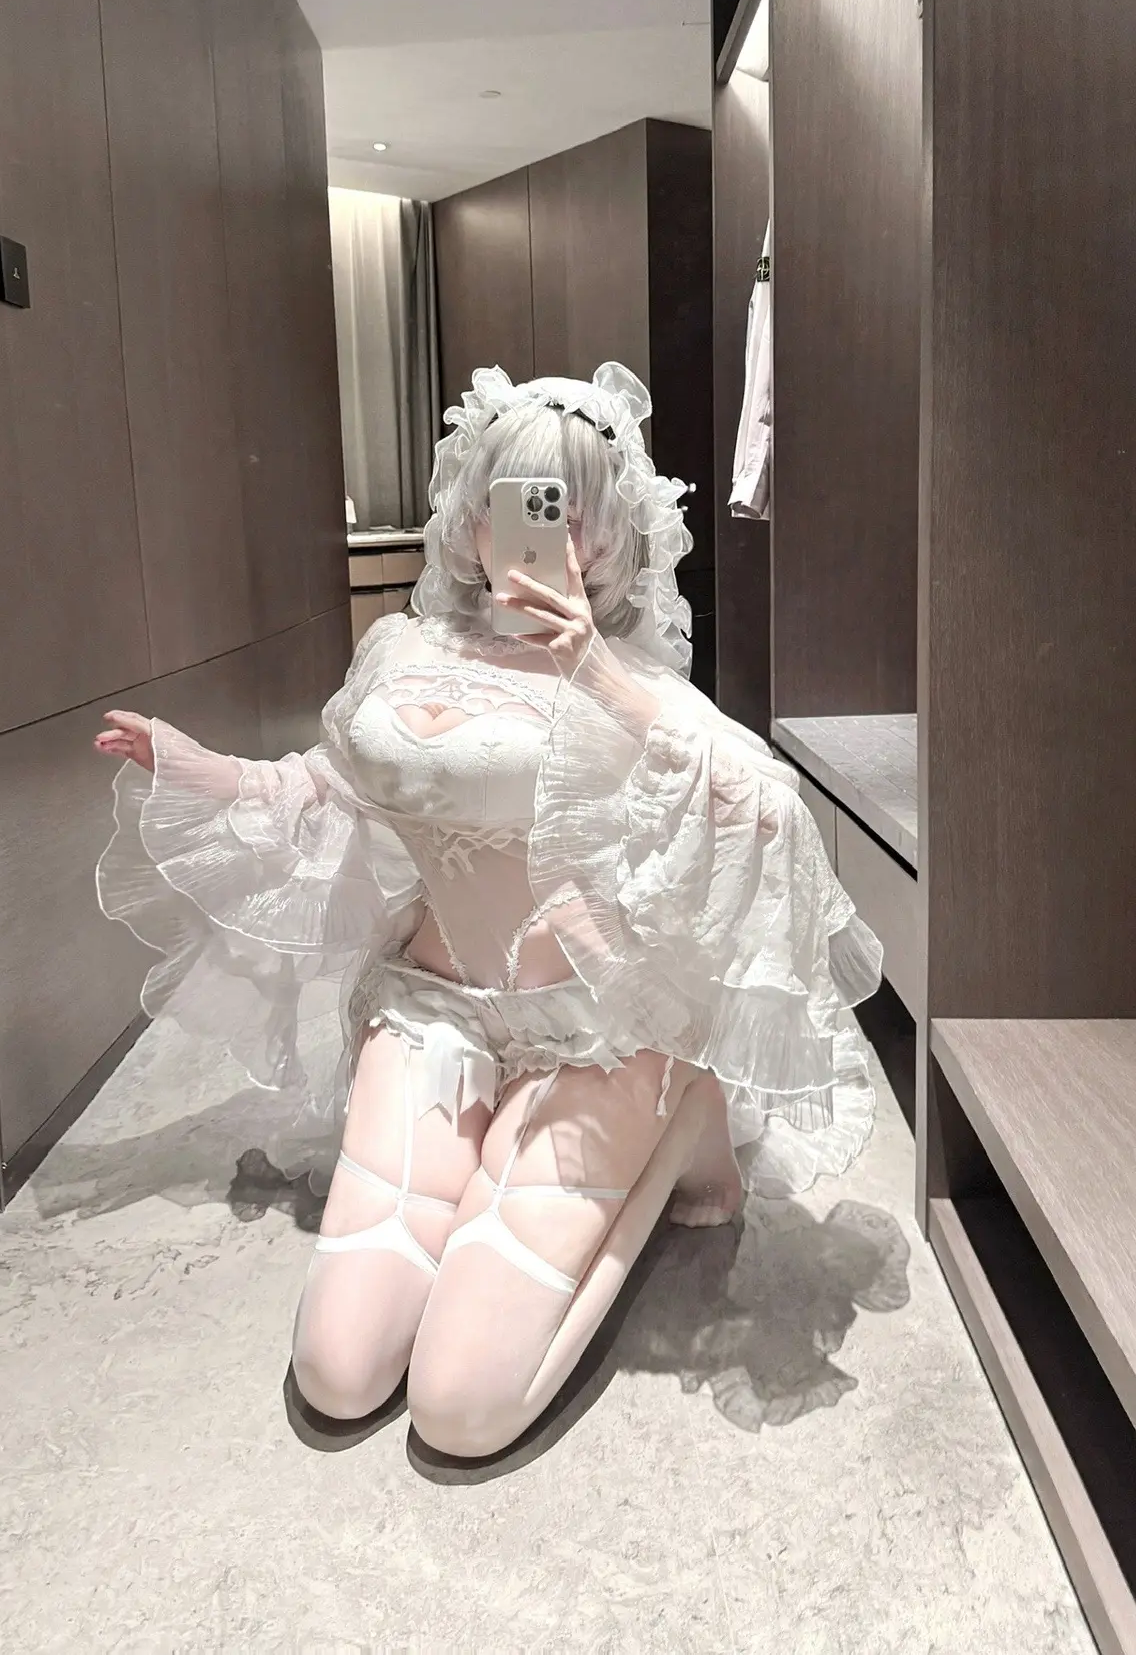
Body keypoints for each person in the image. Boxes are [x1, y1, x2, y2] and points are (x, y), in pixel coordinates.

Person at [94, 364, 881, 1460]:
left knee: (462, 1407)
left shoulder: (634, 678)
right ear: (471, 508)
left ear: (611, 530)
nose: (544, 530)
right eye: (516, 498)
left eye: (569, 506)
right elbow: (328, 785)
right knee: (337, 1371)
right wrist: (196, 768)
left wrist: (598, 675)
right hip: (430, 1013)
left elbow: (770, 813)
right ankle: (507, 1163)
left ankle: (682, 1111)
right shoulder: (399, 650)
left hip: (593, 1030)